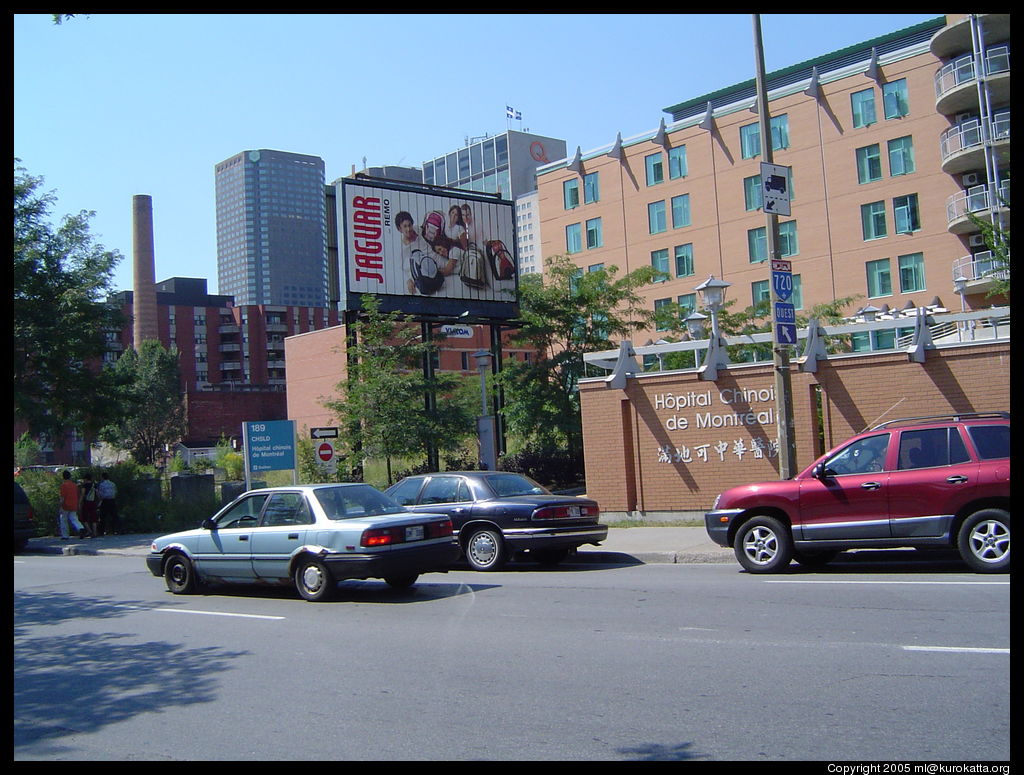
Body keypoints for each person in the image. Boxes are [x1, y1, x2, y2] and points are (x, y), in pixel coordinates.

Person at [59, 469, 87, 540]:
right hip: (74, 504)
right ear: (70, 477)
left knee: (63, 520)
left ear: (63, 477)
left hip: (65, 505)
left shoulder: (63, 486)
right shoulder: (74, 485)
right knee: (74, 518)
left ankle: (65, 536)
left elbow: (62, 497)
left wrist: (60, 506)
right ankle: (80, 528)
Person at [79, 472, 100, 538]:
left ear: (85, 479)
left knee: (84, 518)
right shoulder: (94, 485)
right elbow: (98, 494)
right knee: (94, 517)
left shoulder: (84, 486)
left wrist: (79, 502)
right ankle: (95, 532)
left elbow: (82, 495)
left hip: (86, 503)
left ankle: (90, 531)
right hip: (93, 502)